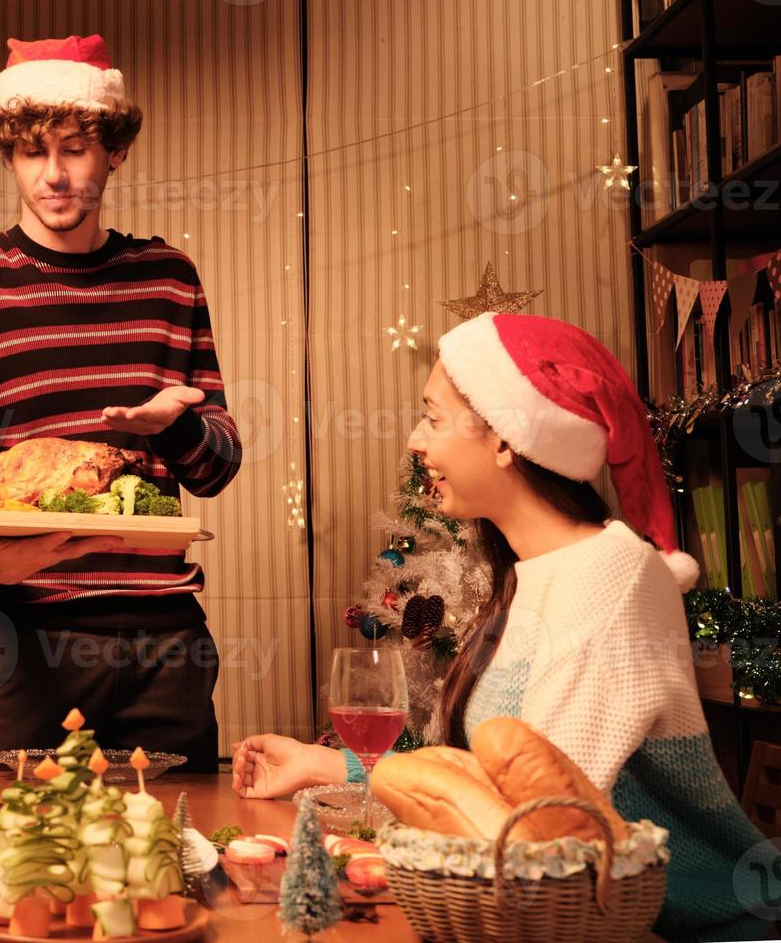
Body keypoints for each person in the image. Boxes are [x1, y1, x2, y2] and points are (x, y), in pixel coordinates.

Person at [233, 311, 778, 940]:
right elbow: (483, 787)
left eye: (433, 417)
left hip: (682, 926)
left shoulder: (612, 575)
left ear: (505, 439)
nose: (415, 439)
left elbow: (533, 824)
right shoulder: (535, 572)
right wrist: (324, 765)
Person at [0, 34, 242, 772]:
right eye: (35, 153)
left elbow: (218, 468)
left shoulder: (169, 279)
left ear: (115, 150)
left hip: (166, 638)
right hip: (26, 637)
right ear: (8, 156)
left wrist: (180, 424)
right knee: (11, 855)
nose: (55, 175)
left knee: (171, 854)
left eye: (76, 148)